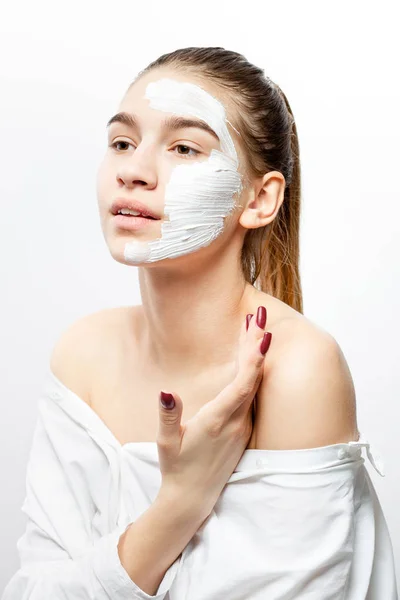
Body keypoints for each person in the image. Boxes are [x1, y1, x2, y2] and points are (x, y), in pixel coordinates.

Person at [2, 46, 397, 599]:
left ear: (260, 199)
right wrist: (181, 500)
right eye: (122, 142)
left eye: (184, 147)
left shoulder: (298, 373)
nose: (134, 170)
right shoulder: (83, 355)